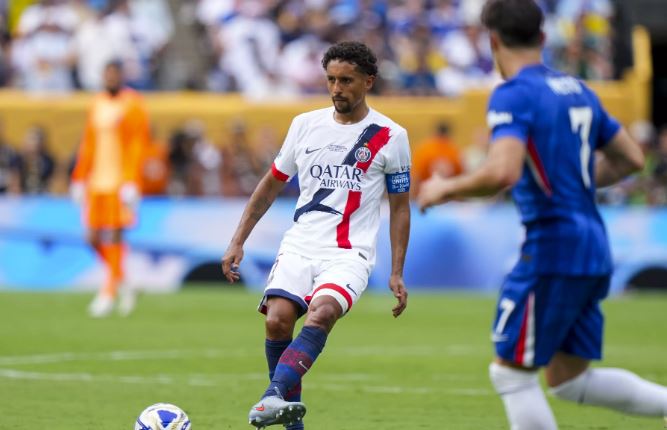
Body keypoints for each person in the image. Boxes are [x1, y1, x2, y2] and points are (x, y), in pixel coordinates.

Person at [418, 0, 667, 428]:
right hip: (593, 242)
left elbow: (503, 171)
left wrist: (445, 188)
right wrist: (575, 180)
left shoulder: (514, 93)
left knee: (510, 373)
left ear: (493, 41)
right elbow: (629, 158)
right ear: (543, 37)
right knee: (569, 379)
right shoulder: (577, 89)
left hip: (553, 245)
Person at [221, 41, 411, 429]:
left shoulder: (391, 136)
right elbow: (271, 184)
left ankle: (271, 396)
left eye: (346, 80)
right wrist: (238, 239)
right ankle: (289, 419)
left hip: (350, 252)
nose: (337, 89)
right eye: (331, 80)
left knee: (321, 313)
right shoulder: (305, 125)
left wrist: (396, 271)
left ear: (368, 81)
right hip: (300, 243)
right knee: (277, 321)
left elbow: (401, 207)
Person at [70, 60, 150, 318]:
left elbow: (138, 144)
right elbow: (88, 143)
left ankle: (108, 292)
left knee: (115, 236)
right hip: (97, 181)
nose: (111, 79)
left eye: (115, 74)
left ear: (121, 77)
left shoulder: (132, 104)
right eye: (108, 75)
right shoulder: (97, 103)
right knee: (92, 237)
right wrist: (79, 177)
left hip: (119, 182)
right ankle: (124, 281)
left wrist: (132, 181)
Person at [411, 121, 463, 197]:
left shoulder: (423, 149)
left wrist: (413, 198)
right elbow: (460, 177)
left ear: (435, 133)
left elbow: (415, 177)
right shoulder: (454, 150)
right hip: (448, 197)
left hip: (425, 195)